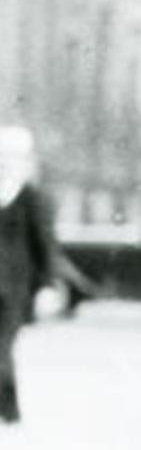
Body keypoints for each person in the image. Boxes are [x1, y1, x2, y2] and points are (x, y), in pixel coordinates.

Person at [0, 126, 55, 426]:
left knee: (2, 347)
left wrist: (47, 285)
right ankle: (9, 409)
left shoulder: (30, 197)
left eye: (13, 157)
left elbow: (44, 243)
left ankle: (9, 409)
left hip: (14, 289)